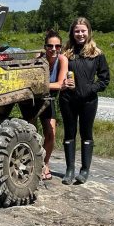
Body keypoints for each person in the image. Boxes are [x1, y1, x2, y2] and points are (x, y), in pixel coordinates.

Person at [59, 17, 110, 185]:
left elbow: (104, 79)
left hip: (88, 101)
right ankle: (69, 170)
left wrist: (91, 89)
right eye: (77, 31)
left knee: (86, 134)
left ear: (88, 32)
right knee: (69, 133)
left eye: (83, 31)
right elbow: (55, 72)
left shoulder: (97, 54)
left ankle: (85, 170)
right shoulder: (65, 53)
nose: (80, 34)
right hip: (68, 99)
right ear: (72, 33)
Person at [40, 30, 68, 180]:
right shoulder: (39, 58)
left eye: (57, 46)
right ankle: (34, 163)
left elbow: (60, 84)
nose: (54, 49)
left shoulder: (62, 59)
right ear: (45, 46)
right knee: (31, 133)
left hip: (49, 100)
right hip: (33, 101)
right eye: (50, 46)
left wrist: (43, 85)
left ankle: (45, 163)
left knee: (51, 134)